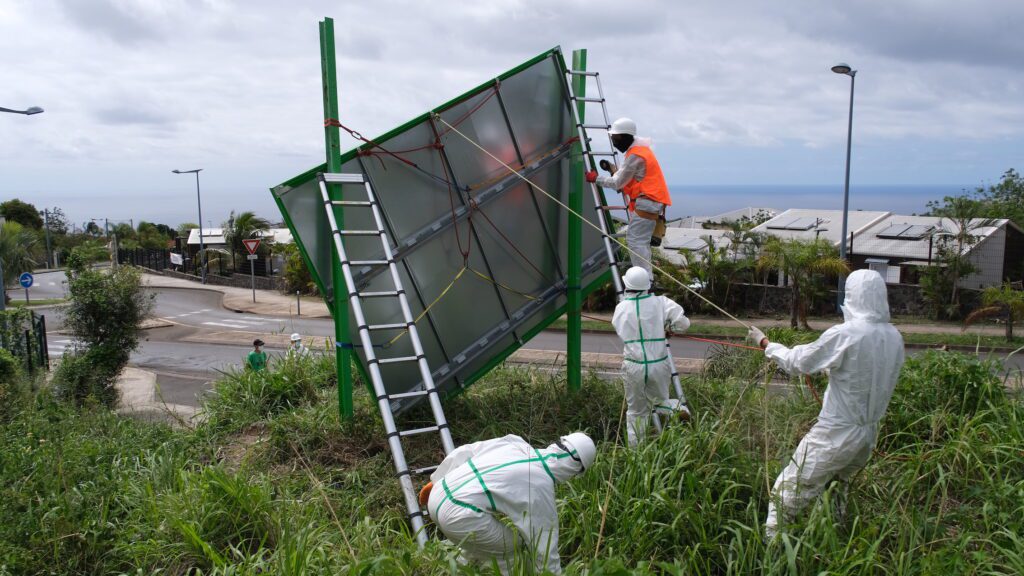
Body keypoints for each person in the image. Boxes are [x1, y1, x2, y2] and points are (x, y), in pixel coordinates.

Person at [746, 269, 905, 539]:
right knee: (836, 491)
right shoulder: (894, 336)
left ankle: (772, 553)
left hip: (835, 433)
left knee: (787, 491)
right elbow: (867, 374)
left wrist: (766, 344)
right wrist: (833, 370)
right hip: (867, 435)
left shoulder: (847, 333)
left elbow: (798, 362)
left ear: (852, 296)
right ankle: (832, 544)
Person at [423, 432, 596, 575]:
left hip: (438, 493)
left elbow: (466, 451)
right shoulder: (541, 485)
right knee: (512, 551)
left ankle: (459, 570)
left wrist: (436, 479)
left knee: (485, 546)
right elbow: (543, 546)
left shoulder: (515, 443)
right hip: (459, 515)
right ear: (576, 469)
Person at [612, 266, 692, 447]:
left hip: (633, 365)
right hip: (658, 363)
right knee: (659, 400)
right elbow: (683, 323)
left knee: (636, 411)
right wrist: (670, 329)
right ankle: (675, 409)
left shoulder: (621, 308)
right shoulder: (661, 302)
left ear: (627, 285)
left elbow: (619, 329)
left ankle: (636, 452)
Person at [585, 117, 672, 278]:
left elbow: (618, 182)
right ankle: (647, 278)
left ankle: (644, 280)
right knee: (641, 243)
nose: (614, 143)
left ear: (626, 136)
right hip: (651, 203)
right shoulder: (641, 151)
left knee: (635, 242)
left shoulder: (635, 155)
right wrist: (614, 171)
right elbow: (629, 178)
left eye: (616, 139)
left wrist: (595, 179)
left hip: (647, 202)